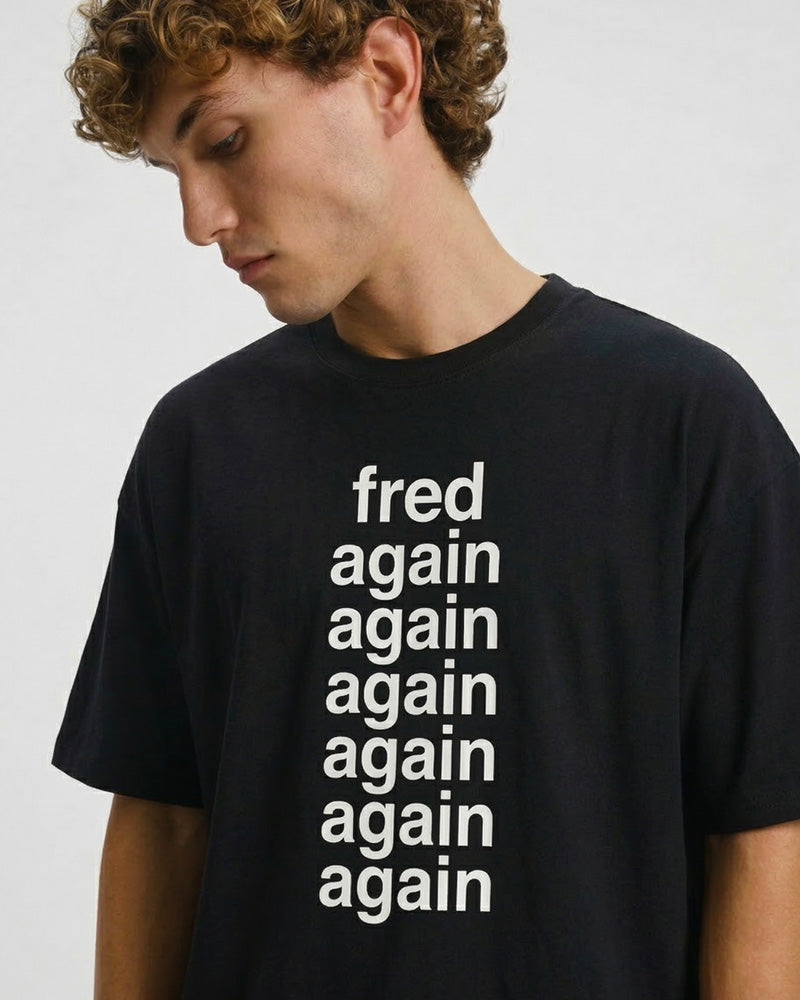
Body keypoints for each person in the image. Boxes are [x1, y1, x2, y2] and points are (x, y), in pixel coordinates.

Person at [51, 1, 800, 998]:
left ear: (387, 74)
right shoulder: (201, 445)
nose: (199, 220)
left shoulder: (683, 423)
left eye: (225, 141)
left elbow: (761, 825)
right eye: (171, 172)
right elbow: (161, 818)